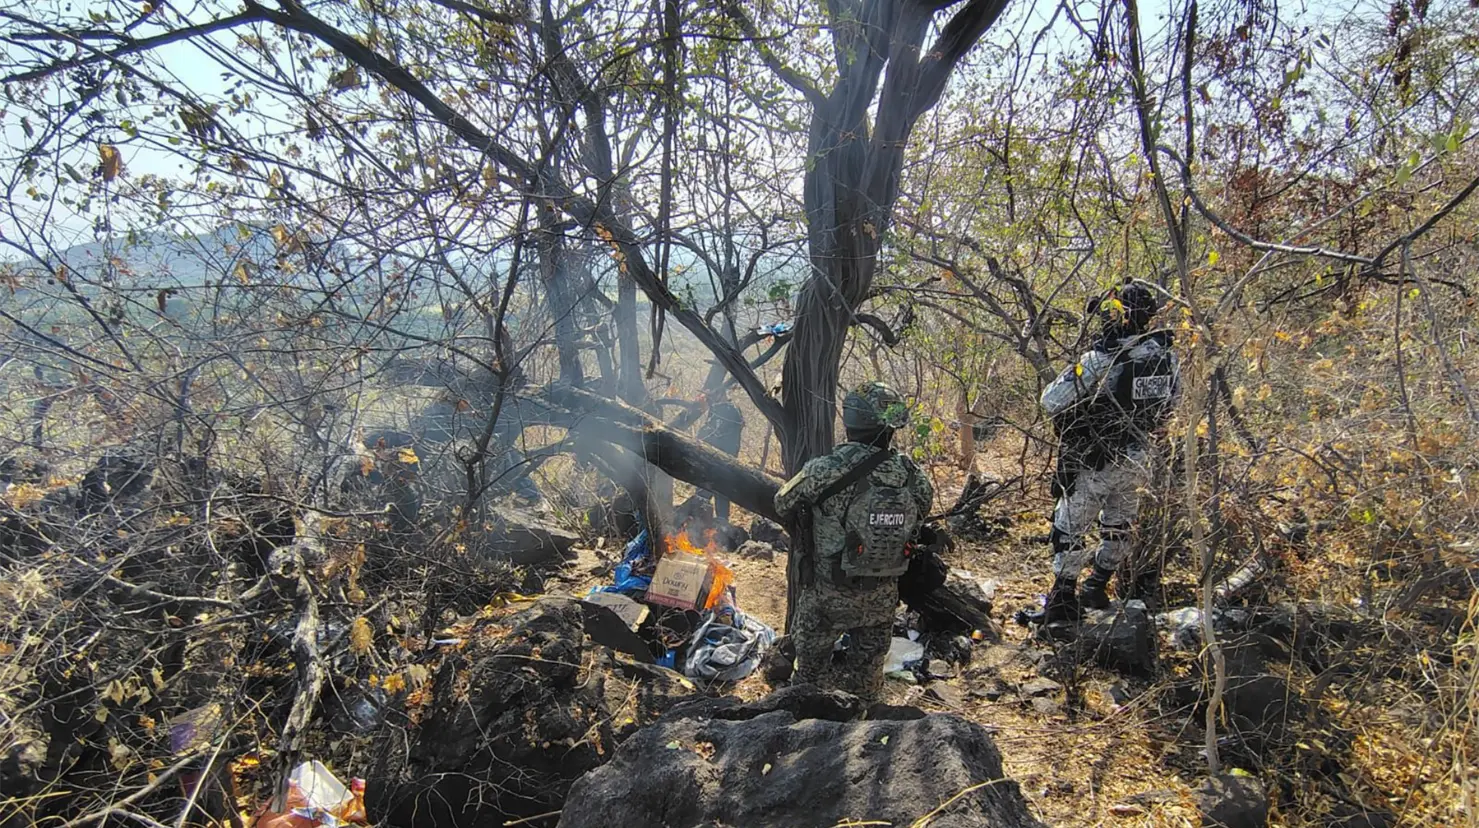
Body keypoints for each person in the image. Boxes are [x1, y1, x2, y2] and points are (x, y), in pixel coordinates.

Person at [1025, 281, 1180, 625]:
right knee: (1118, 528)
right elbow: (1173, 405)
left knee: (1068, 529)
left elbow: (1051, 399)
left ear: (1120, 315)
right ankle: (1096, 587)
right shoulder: (1167, 355)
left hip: (1097, 461)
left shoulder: (1102, 358)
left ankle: (1063, 603)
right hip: (1139, 460)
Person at [774, 382, 934, 701]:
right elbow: (922, 510)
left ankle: (802, 733)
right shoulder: (910, 475)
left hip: (826, 596)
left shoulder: (826, 469)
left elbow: (782, 502)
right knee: (867, 680)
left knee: (807, 677)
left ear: (849, 422)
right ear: (890, 427)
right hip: (882, 596)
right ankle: (866, 730)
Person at [696, 389, 744, 522]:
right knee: (702, 493)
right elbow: (707, 431)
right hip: (711, 457)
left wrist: (702, 437)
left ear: (721, 394)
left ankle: (722, 525)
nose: (710, 399)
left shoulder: (731, 410)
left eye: (713, 395)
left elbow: (715, 433)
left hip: (724, 458)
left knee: (721, 492)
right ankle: (698, 524)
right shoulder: (717, 409)